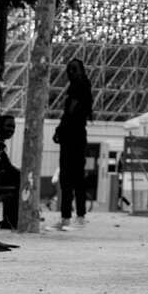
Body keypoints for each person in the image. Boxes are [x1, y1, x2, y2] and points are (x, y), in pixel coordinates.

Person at [53, 58, 93, 230]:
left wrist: (60, 129)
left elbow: (70, 113)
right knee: (67, 179)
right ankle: (67, 217)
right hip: (70, 138)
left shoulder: (80, 88)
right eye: (69, 69)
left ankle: (78, 217)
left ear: (82, 71)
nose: (71, 72)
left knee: (74, 178)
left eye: (75, 69)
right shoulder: (77, 88)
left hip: (74, 138)